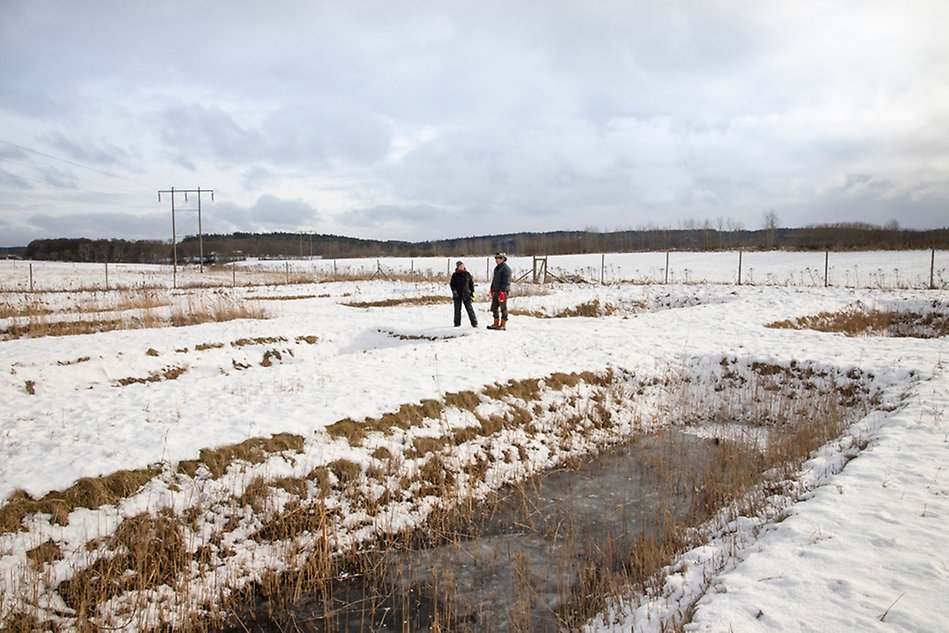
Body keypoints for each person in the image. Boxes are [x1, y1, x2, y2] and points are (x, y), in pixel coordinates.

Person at [487, 252, 512, 330]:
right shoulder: (497, 268)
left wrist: (503, 291)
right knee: (494, 307)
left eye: (499, 258)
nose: (497, 260)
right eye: (496, 258)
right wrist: (492, 288)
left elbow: (507, 282)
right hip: (495, 290)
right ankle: (495, 323)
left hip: (502, 292)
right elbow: (494, 280)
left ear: (503, 259)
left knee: (503, 308)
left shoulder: (506, 269)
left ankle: (503, 324)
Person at [449, 260, 478, 327]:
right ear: (458, 267)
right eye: (460, 266)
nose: (462, 267)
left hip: (466, 294)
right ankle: (457, 324)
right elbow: (452, 285)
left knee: (470, 310)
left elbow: (471, 284)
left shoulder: (467, 274)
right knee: (457, 310)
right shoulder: (455, 275)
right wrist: (454, 291)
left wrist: (472, 294)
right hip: (457, 295)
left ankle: (474, 323)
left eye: (463, 266)